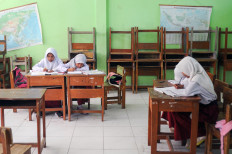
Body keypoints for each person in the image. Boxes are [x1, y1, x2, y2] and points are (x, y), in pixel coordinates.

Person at [162, 56, 219, 147]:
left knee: (176, 110)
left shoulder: (197, 79)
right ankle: (183, 130)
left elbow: (187, 92)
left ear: (189, 68)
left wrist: (174, 91)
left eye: (183, 71)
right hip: (203, 106)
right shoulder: (196, 75)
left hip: (208, 110)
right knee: (173, 107)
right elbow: (186, 84)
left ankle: (200, 134)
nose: (183, 74)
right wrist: (180, 86)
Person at [32, 48, 67, 118]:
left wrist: (53, 70)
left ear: (55, 56)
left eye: (52, 56)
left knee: (57, 91)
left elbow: (62, 67)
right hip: (45, 82)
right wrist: (42, 69)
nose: (50, 58)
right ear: (46, 56)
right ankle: (42, 109)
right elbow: (34, 67)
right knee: (43, 91)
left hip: (56, 82)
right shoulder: (43, 61)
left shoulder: (58, 60)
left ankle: (57, 109)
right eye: (48, 56)